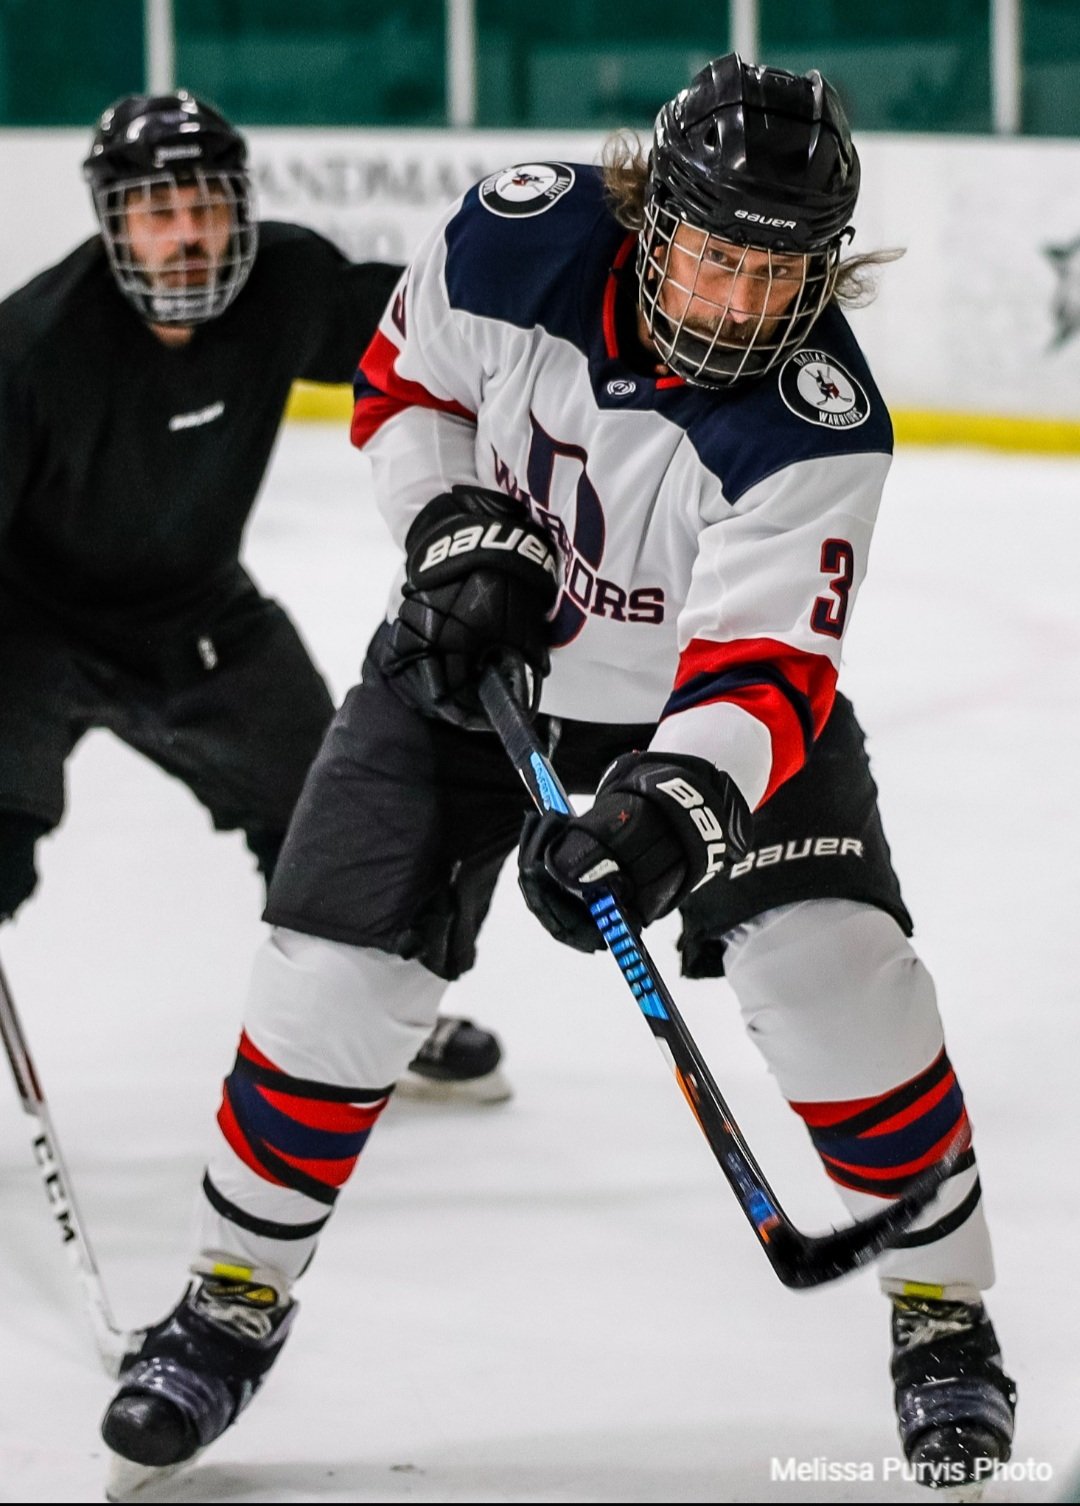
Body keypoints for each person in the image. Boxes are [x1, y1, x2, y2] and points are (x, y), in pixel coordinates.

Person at [100, 57, 1016, 1495]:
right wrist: (456, 526)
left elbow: (766, 671)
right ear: (653, 216)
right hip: (477, 665)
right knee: (327, 975)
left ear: (821, 271)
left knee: (841, 982)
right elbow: (406, 384)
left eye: (773, 277)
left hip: (694, 717)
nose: (731, 304)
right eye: (712, 257)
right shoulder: (515, 235)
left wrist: (668, 816)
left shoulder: (821, 421)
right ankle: (231, 1295)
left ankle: (943, 1309)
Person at [0, 90, 508, 1104]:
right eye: (158, 211)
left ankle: (370, 1027)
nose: (188, 235)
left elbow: (440, 331)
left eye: (206, 206)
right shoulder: (31, 352)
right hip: (30, 628)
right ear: (113, 223)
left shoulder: (287, 282)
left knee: (346, 812)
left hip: (197, 614)